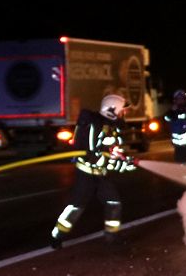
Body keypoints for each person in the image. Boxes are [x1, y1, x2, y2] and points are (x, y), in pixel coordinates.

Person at [50, 93, 137, 248]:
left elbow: (113, 154)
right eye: (122, 110)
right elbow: (93, 157)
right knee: (76, 207)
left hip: (101, 175)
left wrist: (125, 162)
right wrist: (117, 164)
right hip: (86, 175)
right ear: (113, 110)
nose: (124, 114)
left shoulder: (113, 129)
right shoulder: (94, 126)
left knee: (113, 202)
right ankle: (57, 236)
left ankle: (112, 237)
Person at [163, 89, 186, 164]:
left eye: (182, 99)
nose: (180, 101)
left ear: (185, 100)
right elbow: (166, 118)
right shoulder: (172, 111)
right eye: (178, 99)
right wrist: (172, 112)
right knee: (179, 161)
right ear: (175, 100)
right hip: (177, 142)